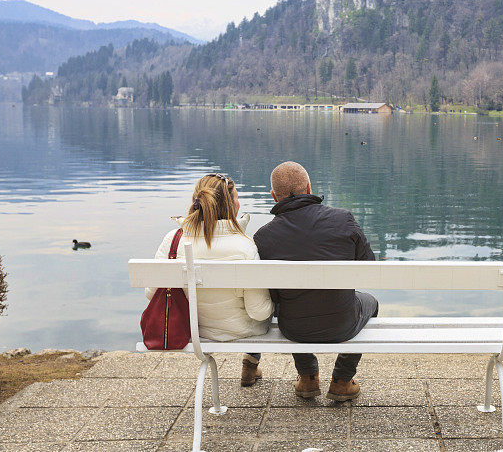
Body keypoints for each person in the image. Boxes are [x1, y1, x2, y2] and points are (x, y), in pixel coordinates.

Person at [253, 161, 378, 401]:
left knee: (291, 304)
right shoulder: (343, 219)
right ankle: (342, 379)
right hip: (344, 322)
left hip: (294, 329)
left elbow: (272, 294)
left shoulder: (264, 237)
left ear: (273, 196)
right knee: (371, 302)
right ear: (309, 187)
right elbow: (367, 268)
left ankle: (308, 377)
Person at [148, 173, 273, 386]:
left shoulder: (173, 240)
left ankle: (251, 365)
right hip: (238, 330)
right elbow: (258, 312)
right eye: (236, 198)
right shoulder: (244, 247)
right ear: (231, 205)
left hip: (191, 328)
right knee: (262, 305)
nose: (239, 203)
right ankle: (251, 361)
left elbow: (151, 293)